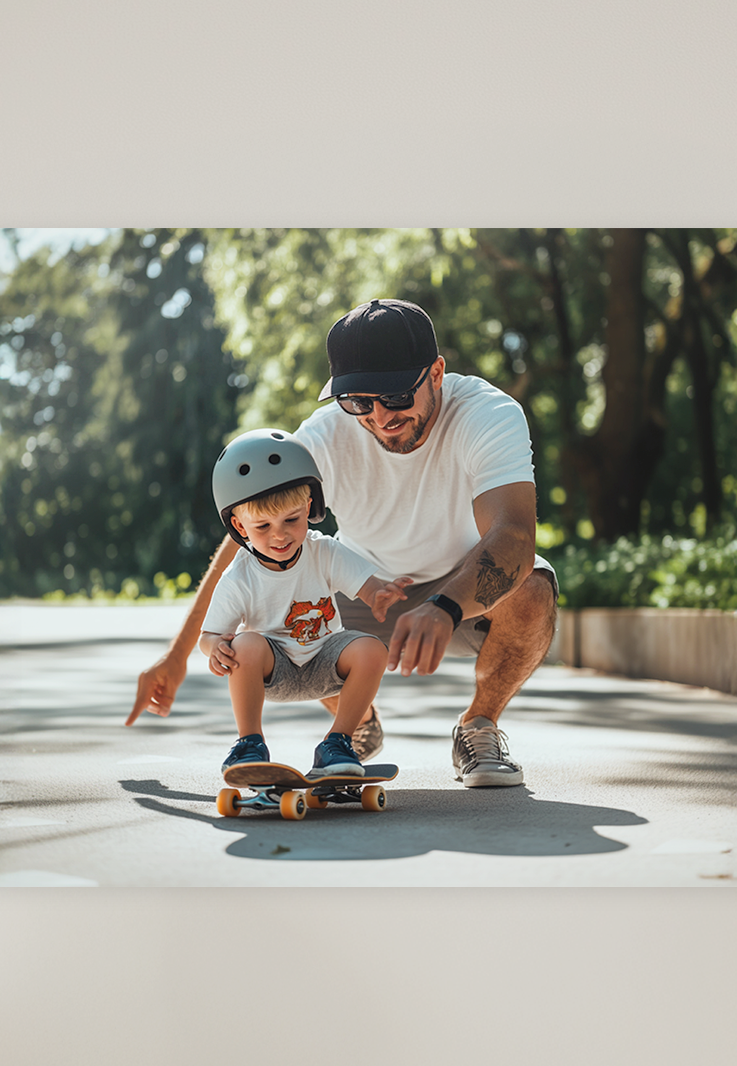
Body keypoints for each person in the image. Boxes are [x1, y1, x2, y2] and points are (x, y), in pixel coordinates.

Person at [128, 297, 555, 790]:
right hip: (359, 588)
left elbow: (515, 536)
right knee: (275, 595)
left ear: (436, 373)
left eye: (396, 396)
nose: (379, 416)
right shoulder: (323, 438)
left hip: (463, 590)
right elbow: (248, 544)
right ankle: (355, 727)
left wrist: (444, 606)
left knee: (532, 589)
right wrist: (177, 656)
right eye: (357, 402)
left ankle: (478, 726)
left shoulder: (487, 414)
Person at [200, 429, 406, 781]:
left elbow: (365, 584)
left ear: (309, 507)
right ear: (239, 526)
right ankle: (249, 743)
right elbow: (210, 635)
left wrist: (379, 594)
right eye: (263, 525)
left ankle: (337, 743)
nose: (279, 535)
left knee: (372, 650)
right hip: (273, 669)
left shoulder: (322, 550)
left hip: (326, 661)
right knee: (244, 642)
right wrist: (216, 648)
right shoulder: (239, 577)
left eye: (291, 520)